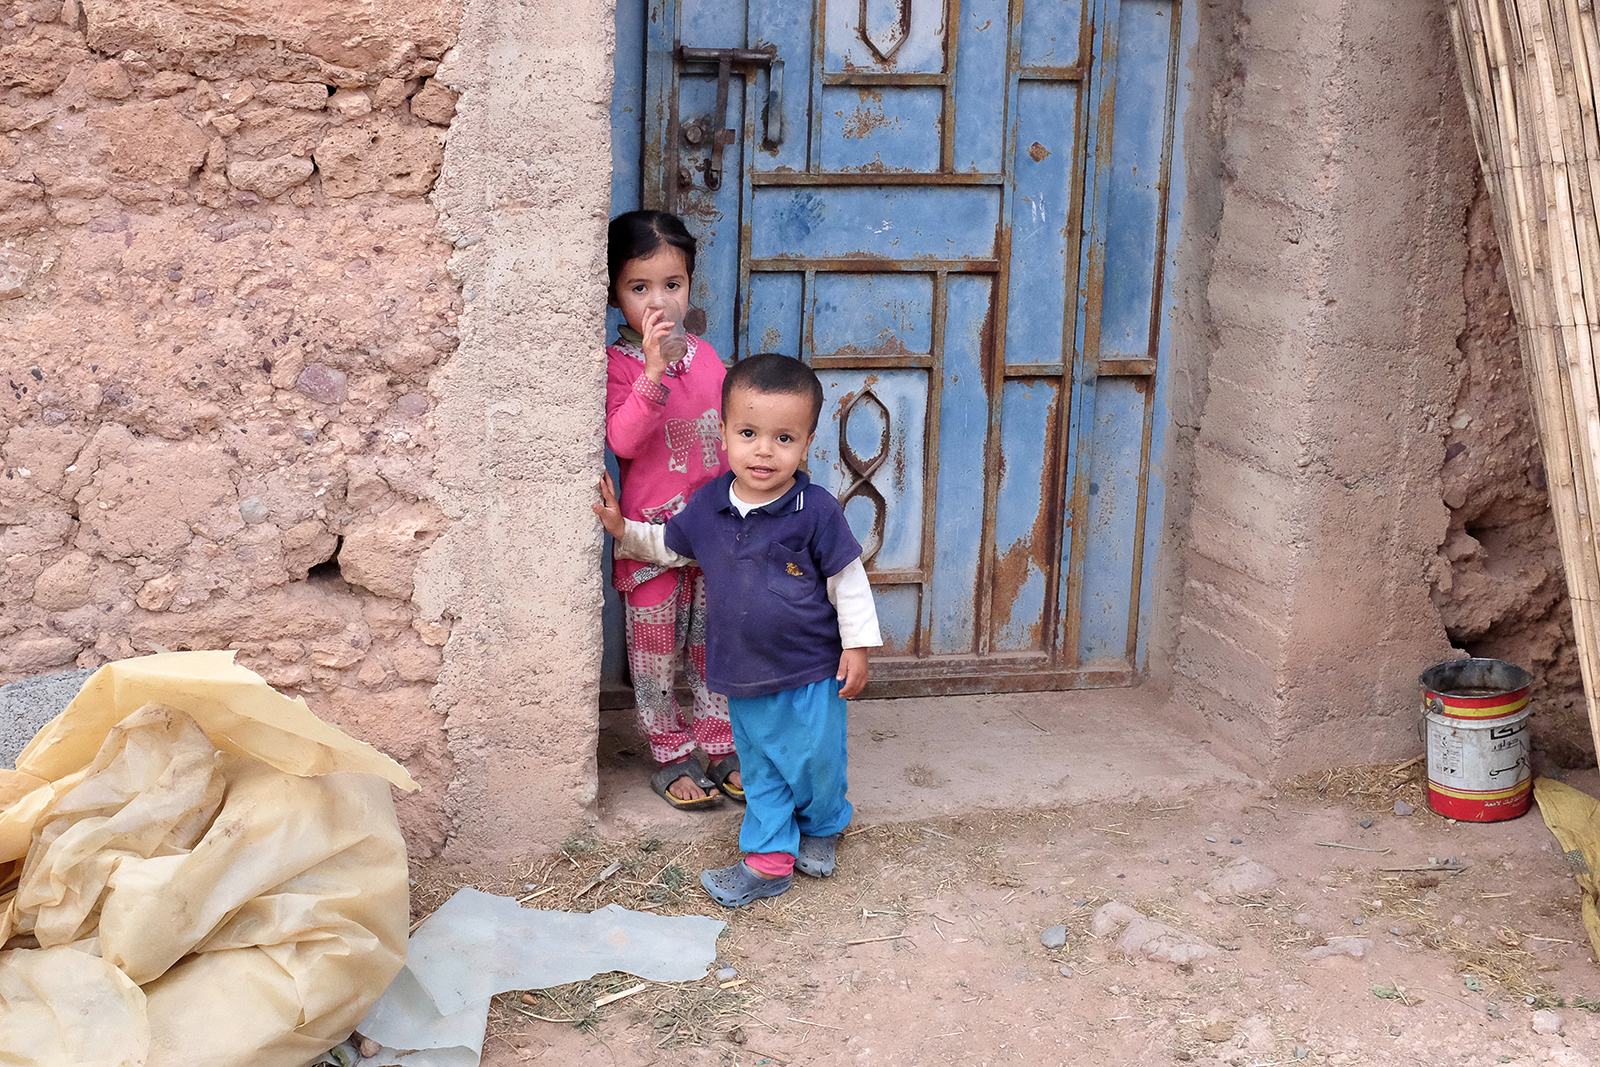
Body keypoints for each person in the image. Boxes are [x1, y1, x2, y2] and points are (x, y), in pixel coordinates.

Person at [594, 353, 882, 907]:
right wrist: (622, 529)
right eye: (748, 433)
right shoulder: (709, 506)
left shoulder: (815, 510)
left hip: (810, 673)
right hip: (742, 674)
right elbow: (669, 548)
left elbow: (848, 581)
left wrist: (857, 647)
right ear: (723, 431)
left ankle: (823, 825)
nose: (764, 450)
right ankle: (769, 859)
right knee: (762, 767)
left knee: (815, 764)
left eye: (783, 437)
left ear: (808, 442)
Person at [604, 210, 739, 810]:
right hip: (650, 536)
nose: (658, 302)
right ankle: (669, 750)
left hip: (713, 533)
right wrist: (653, 374)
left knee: (714, 646)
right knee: (656, 653)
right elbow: (626, 443)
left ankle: (720, 742)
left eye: (672, 285)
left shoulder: (709, 358)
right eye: (639, 288)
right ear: (613, 292)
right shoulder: (618, 367)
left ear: (689, 285)